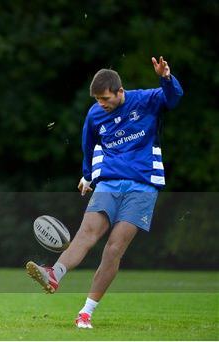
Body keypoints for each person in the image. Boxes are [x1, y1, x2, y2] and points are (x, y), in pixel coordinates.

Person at [26, 57, 183, 329]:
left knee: (113, 249)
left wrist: (166, 78)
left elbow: (173, 98)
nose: (102, 103)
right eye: (98, 98)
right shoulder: (95, 114)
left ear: (120, 91)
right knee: (86, 234)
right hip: (109, 183)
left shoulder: (145, 101)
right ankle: (54, 274)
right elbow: (88, 146)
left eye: (106, 98)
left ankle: (86, 312)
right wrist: (88, 175)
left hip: (142, 186)